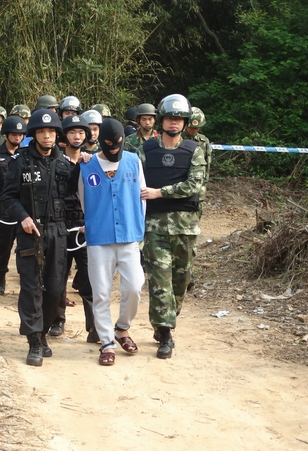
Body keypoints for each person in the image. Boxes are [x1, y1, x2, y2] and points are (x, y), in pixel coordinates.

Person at [0, 109, 85, 367]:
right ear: (34, 135)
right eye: (41, 132)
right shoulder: (20, 162)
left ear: (57, 134)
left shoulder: (65, 164)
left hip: (58, 232)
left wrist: (82, 223)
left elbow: (75, 198)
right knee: (31, 286)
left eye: (50, 132)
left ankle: (44, 330)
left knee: (55, 288)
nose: (47, 136)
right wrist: (23, 217)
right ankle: (34, 340)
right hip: (31, 232)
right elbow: (8, 197)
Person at [137, 94, 206, 359]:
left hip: (185, 227)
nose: (174, 122)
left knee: (181, 281)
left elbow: (194, 185)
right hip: (154, 227)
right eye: (169, 118)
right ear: (162, 121)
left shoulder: (194, 150)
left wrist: (160, 192)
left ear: (185, 122)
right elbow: (132, 177)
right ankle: (165, 332)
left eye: (178, 119)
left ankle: (166, 320)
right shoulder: (146, 150)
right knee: (159, 281)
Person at [79, 118, 146, 366]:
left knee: (135, 286)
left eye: (118, 143)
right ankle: (107, 343)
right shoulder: (87, 165)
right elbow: (82, 200)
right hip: (99, 238)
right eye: (109, 143)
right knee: (101, 293)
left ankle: (122, 328)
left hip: (129, 236)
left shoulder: (133, 161)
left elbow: (142, 196)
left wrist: (138, 228)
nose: (114, 148)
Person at [49, 114, 98, 343]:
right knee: (57, 277)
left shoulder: (93, 162)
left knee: (89, 278)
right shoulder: (54, 162)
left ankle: (94, 327)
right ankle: (57, 320)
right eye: (72, 132)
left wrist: (91, 223)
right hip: (60, 225)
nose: (77, 136)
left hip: (85, 228)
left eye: (81, 132)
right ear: (64, 136)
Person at [0, 116, 27, 295]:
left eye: (20, 134)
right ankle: (0, 279)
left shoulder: (27, 154)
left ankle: (26, 280)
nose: (17, 138)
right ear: (6, 134)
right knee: (3, 246)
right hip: (5, 208)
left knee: (26, 247)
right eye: (14, 134)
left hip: (25, 208)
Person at [183, 106, 212, 291]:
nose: (194, 131)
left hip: (196, 197)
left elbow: (206, 170)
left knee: (190, 235)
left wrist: (201, 191)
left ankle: (188, 274)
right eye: (191, 127)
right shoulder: (174, 139)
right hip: (176, 194)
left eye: (197, 128)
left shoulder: (204, 142)